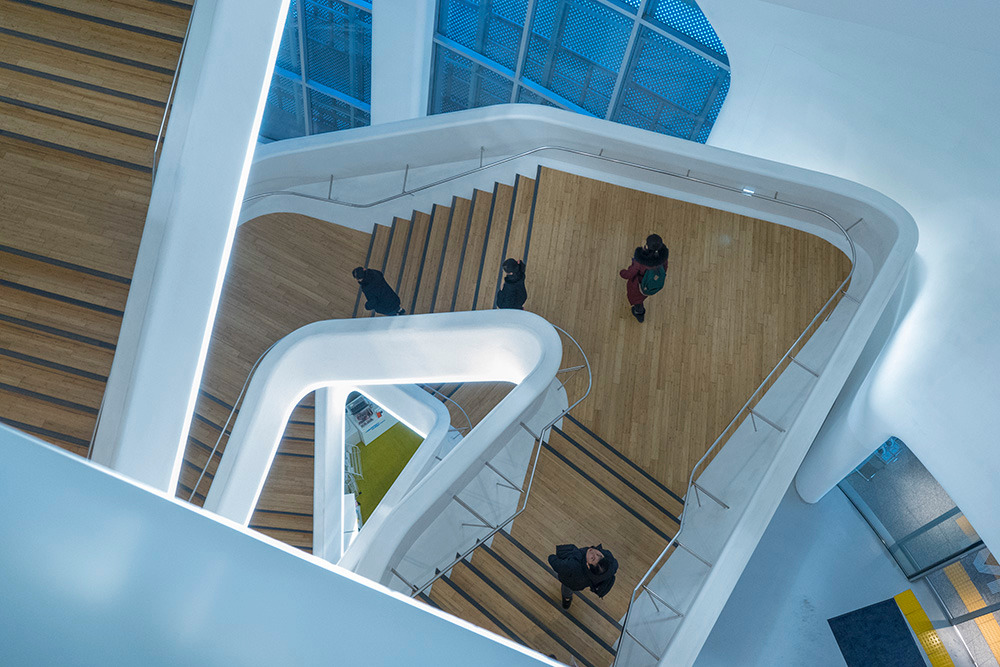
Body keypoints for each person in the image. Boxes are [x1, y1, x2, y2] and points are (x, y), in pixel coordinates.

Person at [547, 543, 618, 609]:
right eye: (599, 555)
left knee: (567, 588)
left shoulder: (573, 566)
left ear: (588, 565)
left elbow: (553, 561)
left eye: (592, 558)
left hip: (571, 581)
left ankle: (566, 600)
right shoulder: (608, 566)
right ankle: (567, 600)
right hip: (582, 584)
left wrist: (552, 557)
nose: (593, 551)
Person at [619, 233, 669, 323]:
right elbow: (664, 269)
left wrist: (622, 273)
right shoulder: (662, 258)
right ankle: (639, 312)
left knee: (637, 300)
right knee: (641, 298)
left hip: (639, 286)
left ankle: (639, 313)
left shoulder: (641, 261)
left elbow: (630, 274)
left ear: (647, 246)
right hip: (651, 284)